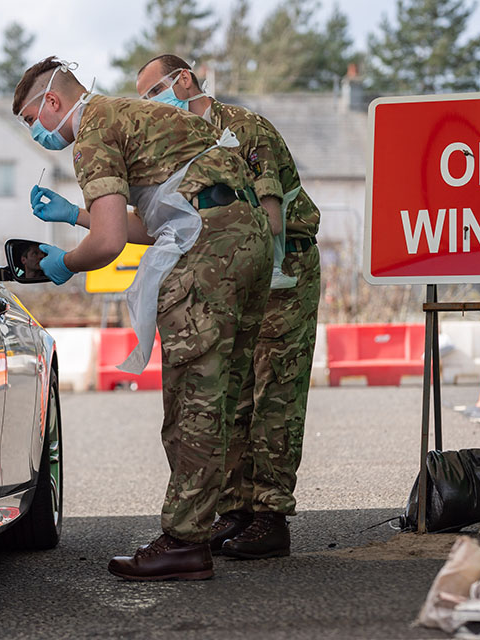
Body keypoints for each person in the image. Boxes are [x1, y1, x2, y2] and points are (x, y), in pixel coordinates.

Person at [13, 56, 273, 580]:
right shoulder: (129, 112)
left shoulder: (92, 129)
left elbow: (107, 243)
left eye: (31, 120)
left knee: (193, 399)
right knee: (228, 393)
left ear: (53, 103)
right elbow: (161, 217)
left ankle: (184, 541)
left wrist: (63, 263)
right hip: (245, 240)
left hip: (207, 251)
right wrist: (74, 216)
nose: (36, 133)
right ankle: (238, 516)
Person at [135, 55, 321, 559]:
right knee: (233, 394)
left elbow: (271, 219)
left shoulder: (242, 129)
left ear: (185, 80)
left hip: (284, 273)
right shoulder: (184, 146)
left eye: (155, 93)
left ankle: (270, 516)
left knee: (274, 393)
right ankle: (237, 508)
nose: (152, 106)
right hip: (231, 277)